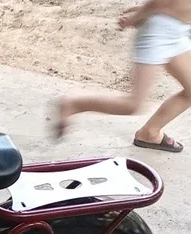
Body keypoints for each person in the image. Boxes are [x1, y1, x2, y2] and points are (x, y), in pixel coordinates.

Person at [54, 0, 191, 152]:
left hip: (178, 30)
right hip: (157, 35)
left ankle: (149, 133)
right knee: (132, 105)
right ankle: (73, 104)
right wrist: (136, 17)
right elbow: (161, 2)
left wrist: (141, 11)